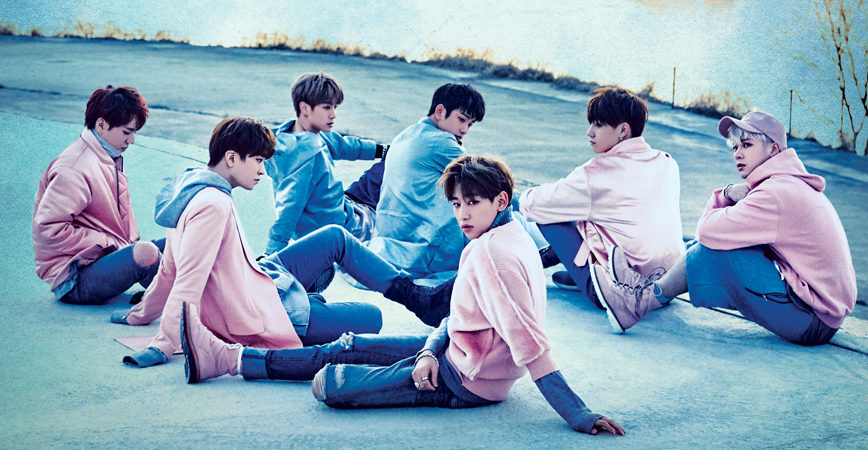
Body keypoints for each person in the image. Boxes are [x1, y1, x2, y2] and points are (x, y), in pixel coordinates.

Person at [179, 155, 625, 436]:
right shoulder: (505, 236)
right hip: (456, 352)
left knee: (330, 383)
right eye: (457, 204)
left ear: (501, 200)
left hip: (466, 381)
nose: (462, 214)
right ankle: (228, 360)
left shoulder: (493, 254)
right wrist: (429, 351)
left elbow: (529, 343)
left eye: (473, 203)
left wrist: (578, 413)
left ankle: (233, 360)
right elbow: (459, 317)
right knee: (347, 346)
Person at [112, 116, 404, 368]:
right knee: (372, 317)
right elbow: (187, 279)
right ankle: (398, 294)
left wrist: (140, 315)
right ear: (231, 158)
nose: (263, 171)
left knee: (334, 236)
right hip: (257, 313)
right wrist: (163, 345)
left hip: (258, 279)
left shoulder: (192, 188)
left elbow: (169, 269)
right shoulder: (212, 205)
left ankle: (409, 293)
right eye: (258, 161)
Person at [590, 111, 857, 346]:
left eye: (747, 145)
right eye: (735, 147)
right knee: (716, 243)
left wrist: (725, 194)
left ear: (773, 150)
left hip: (811, 321)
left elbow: (707, 232)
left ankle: (638, 303)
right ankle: (645, 289)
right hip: (819, 313)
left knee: (711, 249)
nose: (738, 154)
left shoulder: (775, 194)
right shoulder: (787, 185)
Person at [519, 86, 684, 308]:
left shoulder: (596, 174)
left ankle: (581, 277)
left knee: (549, 212)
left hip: (618, 292)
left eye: (598, 124)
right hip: (666, 285)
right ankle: (578, 272)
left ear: (623, 130)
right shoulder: (667, 162)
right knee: (587, 211)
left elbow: (531, 205)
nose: (589, 132)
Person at [32, 85, 164, 305]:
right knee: (145, 253)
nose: (132, 140)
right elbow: (49, 230)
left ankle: (182, 295)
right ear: (101, 125)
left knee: (180, 240)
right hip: (74, 279)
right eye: (127, 132)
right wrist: (112, 244)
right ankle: (188, 301)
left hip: (102, 262)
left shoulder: (106, 156)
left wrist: (118, 247)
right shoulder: (73, 169)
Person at [366, 83, 485, 281]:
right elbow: (487, 180)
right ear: (440, 111)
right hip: (422, 249)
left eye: (470, 124)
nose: (464, 129)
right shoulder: (441, 142)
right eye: (461, 119)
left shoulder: (405, 135)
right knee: (494, 203)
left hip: (390, 239)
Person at [264, 72, 388, 254]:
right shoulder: (308, 156)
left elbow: (343, 145)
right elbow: (289, 208)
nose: (334, 115)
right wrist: (271, 254)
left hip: (336, 211)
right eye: (327, 107)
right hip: (347, 230)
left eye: (335, 107)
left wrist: (381, 150)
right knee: (387, 170)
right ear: (305, 108)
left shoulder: (290, 134)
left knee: (384, 164)